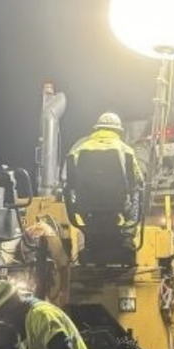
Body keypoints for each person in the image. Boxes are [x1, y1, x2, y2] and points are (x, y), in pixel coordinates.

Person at [65, 111, 145, 261]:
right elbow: (137, 179)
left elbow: (70, 181)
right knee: (138, 191)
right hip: (117, 205)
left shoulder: (79, 149)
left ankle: (90, 230)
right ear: (117, 131)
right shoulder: (125, 150)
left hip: (86, 206)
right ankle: (128, 235)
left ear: (97, 129)